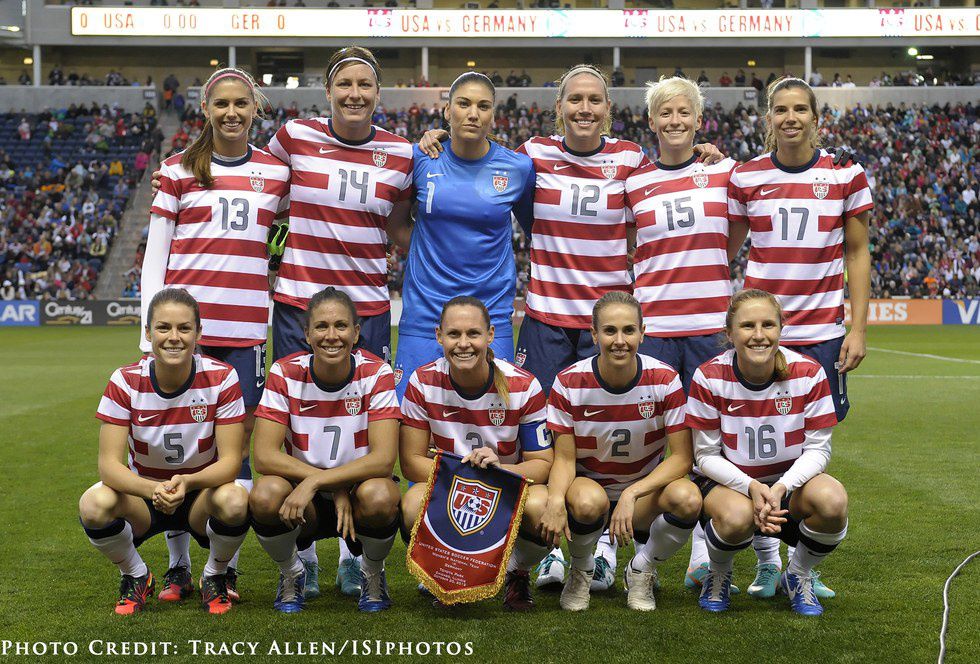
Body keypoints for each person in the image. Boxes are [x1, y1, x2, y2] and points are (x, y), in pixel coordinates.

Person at [263, 45, 413, 598]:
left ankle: (355, 557)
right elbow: (253, 179)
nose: (354, 94)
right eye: (344, 84)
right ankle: (303, 553)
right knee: (294, 423)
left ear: (378, 93)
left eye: (364, 85)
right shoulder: (294, 136)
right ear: (328, 92)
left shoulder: (401, 154)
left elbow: (402, 227)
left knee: (362, 426)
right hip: (299, 305)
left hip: (367, 306)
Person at [141, 67, 288, 604]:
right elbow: (156, 254)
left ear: (256, 109)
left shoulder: (277, 173)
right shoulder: (178, 170)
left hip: (245, 331)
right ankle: (178, 565)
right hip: (184, 334)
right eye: (221, 103)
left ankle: (221, 568)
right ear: (205, 109)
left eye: (241, 104)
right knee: (179, 445)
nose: (231, 112)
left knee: (236, 446)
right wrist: (150, 334)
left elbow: (288, 231)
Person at [723, 77, 871, 598]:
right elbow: (725, 249)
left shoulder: (845, 173)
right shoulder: (746, 175)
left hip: (822, 333)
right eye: (781, 110)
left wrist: (857, 328)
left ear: (815, 117)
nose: (790, 118)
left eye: (800, 109)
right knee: (749, 443)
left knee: (811, 447)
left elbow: (857, 252)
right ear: (768, 118)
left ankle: (801, 564)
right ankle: (767, 560)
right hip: (762, 335)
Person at [79, 288, 250, 615]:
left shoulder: (221, 377)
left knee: (236, 499)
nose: (174, 337)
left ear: (199, 333)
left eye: (184, 328)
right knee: (93, 504)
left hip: (200, 496)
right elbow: (109, 466)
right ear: (147, 333)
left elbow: (231, 461)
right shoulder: (125, 380)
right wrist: (153, 490)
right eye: (163, 327)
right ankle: (136, 575)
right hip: (145, 497)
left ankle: (214, 575)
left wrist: (187, 482)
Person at [686, 289, 847, 616]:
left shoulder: (809, 372)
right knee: (736, 517)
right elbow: (704, 455)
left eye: (768, 325)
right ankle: (718, 573)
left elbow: (818, 450)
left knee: (833, 501)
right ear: (729, 333)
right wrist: (751, 487)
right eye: (747, 326)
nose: (758, 335)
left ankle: (798, 574)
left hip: (788, 486)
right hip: (730, 487)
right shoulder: (709, 376)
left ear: (781, 329)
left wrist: (781, 487)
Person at [540, 292, 700, 612]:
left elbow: (682, 457)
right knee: (587, 501)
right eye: (610, 331)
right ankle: (581, 570)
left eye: (629, 330)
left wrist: (632, 493)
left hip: (642, 497)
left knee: (689, 498)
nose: (619, 341)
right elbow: (565, 459)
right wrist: (556, 499)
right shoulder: (569, 382)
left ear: (642, 333)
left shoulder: (664, 379)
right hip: (590, 492)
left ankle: (641, 569)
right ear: (594, 334)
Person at [249, 287, 402, 613]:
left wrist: (322, 481)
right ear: (307, 334)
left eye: (341, 326)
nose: (331, 336)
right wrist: (326, 484)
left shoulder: (377, 373)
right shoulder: (284, 373)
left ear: (356, 333)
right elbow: (263, 455)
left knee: (381, 495)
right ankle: (292, 573)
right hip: (304, 499)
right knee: (264, 494)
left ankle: (372, 573)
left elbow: (384, 459)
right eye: (321, 326)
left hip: (358, 492)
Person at [399, 297, 552, 611]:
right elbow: (411, 462)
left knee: (542, 507)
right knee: (412, 504)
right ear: (439, 336)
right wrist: (466, 477)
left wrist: (498, 472)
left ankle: (515, 571)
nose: (463, 344)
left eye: (473, 333)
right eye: (454, 334)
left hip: (507, 486)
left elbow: (543, 463)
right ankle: (446, 573)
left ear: (491, 335)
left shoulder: (523, 385)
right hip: (451, 488)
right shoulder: (423, 382)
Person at [392, 72, 535, 402]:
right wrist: (433, 249)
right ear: (447, 110)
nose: (473, 113)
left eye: (483, 106)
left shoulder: (518, 168)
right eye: (464, 104)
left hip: (490, 317)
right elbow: (396, 225)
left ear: (493, 114)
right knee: (410, 416)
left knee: (495, 417)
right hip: (425, 315)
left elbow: (536, 232)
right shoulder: (419, 159)